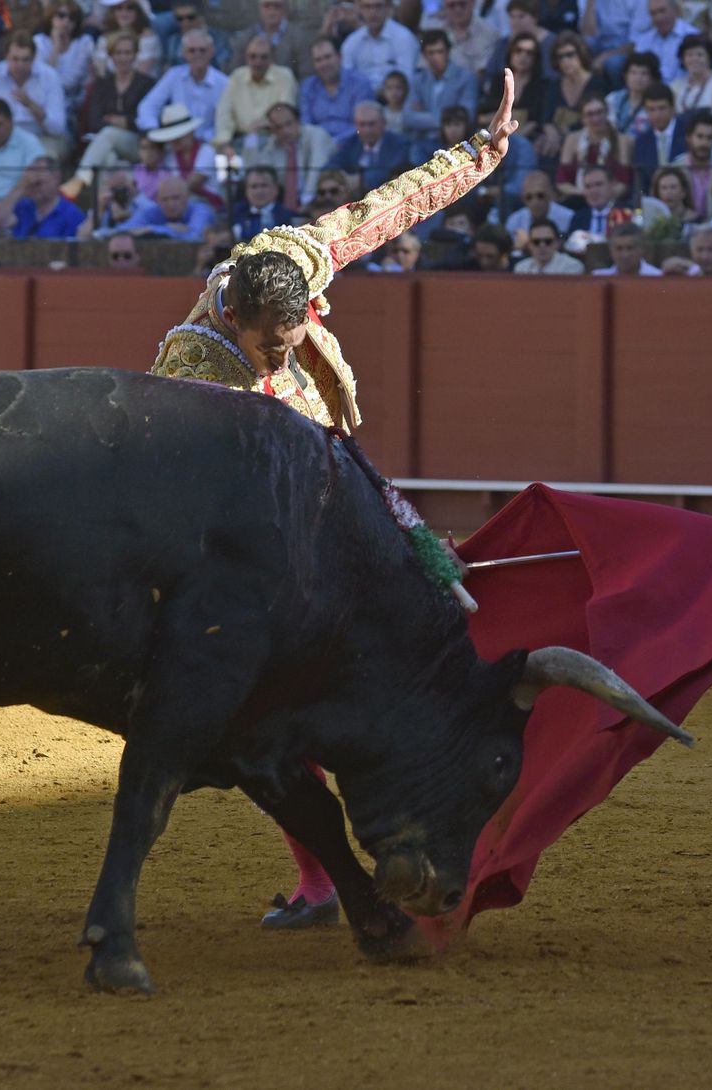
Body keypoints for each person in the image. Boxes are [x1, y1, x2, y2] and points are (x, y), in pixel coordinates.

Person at [148, 71, 519, 926]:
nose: (278, 359)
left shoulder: (294, 256)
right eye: (267, 347)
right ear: (232, 318)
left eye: (291, 341)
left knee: (418, 596)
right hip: (260, 533)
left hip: (332, 476)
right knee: (275, 700)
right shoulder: (187, 373)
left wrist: (481, 152)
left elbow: (390, 206)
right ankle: (323, 878)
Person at [67, 30, 157, 194]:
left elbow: (146, 121)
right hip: (106, 145)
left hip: (138, 145)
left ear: (136, 54)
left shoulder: (147, 84)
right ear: (111, 55)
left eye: (128, 52)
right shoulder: (102, 85)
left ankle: (80, 178)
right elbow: (94, 121)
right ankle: (109, 211)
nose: (123, 58)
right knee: (110, 161)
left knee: (110, 134)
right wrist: (124, 121)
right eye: (118, 53)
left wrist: (124, 122)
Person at [0, 31, 71, 161]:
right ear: (6, 56)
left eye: (25, 60)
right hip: (2, 137)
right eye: (15, 59)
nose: (20, 65)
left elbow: (57, 128)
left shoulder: (50, 76)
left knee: (42, 160)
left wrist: (31, 105)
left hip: (42, 136)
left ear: (34, 57)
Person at [136, 29, 229, 146]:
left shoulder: (224, 83)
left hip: (209, 144)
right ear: (184, 53)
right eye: (192, 50)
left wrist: (203, 139)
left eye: (202, 50)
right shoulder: (174, 75)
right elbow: (148, 105)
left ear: (212, 52)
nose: (197, 54)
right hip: (175, 142)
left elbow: (225, 122)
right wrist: (153, 130)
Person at [214, 34, 299, 156]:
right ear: (246, 58)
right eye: (252, 56)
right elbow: (224, 114)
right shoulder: (236, 77)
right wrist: (224, 142)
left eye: (263, 57)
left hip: (272, 138)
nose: (257, 62)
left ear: (272, 58)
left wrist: (259, 126)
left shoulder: (284, 76)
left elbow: (283, 112)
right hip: (239, 139)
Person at [406, 30, 481, 150]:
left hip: (455, 144)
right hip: (423, 142)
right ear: (424, 55)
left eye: (439, 52)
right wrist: (447, 119)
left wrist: (424, 117)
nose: (435, 57)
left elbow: (466, 116)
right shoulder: (418, 80)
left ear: (447, 52)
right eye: (430, 53)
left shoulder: (466, 78)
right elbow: (408, 118)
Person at [301, 36, 376, 145]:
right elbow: (306, 125)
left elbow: (362, 126)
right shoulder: (308, 86)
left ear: (340, 57)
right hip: (317, 145)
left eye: (328, 57)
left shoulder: (360, 83)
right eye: (318, 60)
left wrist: (335, 143)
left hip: (352, 144)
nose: (324, 64)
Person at [0, 155, 85, 238]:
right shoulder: (23, 206)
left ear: (56, 178)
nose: (34, 187)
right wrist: (21, 186)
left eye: (38, 183)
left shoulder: (71, 214)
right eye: (31, 183)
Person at [326, 100, 412, 193]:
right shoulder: (351, 143)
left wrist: (360, 180)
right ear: (356, 124)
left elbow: (391, 173)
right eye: (362, 124)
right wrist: (341, 177)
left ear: (383, 123)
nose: (367, 130)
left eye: (371, 124)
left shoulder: (399, 144)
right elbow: (331, 166)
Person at [110, 172, 216, 238]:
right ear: (158, 201)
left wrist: (150, 230)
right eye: (165, 199)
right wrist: (164, 229)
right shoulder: (153, 211)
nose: (170, 204)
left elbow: (194, 236)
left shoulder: (200, 210)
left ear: (186, 197)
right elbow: (121, 231)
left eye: (176, 198)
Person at [341, 0, 418, 90]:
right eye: (367, 7)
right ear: (360, 10)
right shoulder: (352, 42)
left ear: (388, 8)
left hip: (395, 99)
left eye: (378, 6)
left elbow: (406, 79)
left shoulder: (404, 38)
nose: (372, 12)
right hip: (360, 98)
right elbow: (345, 78)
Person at [34, 0, 96, 104]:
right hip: (44, 101)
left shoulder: (84, 42)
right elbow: (42, 80)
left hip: (75, 103)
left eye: (72, 17)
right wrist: (56, 47)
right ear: (51, 17)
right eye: (61, 16)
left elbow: (70, 83)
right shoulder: (39, 41)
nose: (66, 21)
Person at [230, 0, 310, 79]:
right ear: (260, 8)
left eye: (277, 6)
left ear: (285, 8)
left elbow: (305, 76)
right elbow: (235, 72)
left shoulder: (299, 38)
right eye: (267, 5)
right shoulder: (246, 37)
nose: (272, 11)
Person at [426, 0, 502, 78]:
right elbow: (424, 70)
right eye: (451, 5)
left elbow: (483, 72)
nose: (457, 9)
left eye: (462, 4)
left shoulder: (489, 34)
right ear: (445, 6)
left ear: (472, 3)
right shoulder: (435, 32)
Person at [631, 0, 698, 83]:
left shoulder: (693, 36)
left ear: (675, 10)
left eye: (662, 11)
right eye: (653, 13)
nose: (658, 18)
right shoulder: (644, 41)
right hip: (650, 92)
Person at [230, 164, 300, 240]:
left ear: (276, 189)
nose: (259, 191)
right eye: (254, 186)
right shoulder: (233, 215)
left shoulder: (290, 217)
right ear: (246, 190)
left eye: (264, 186)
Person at [515, 216, 585, 271]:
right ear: (530, 244)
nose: (542, 245)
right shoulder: (521, 268)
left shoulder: (572, 266)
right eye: (536, 242)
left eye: (548, 241)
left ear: (557, 243)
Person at [591, 220, 659, 274]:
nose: (625, 255)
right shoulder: (598, 278)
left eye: (630, 248)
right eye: (619, 248)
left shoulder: (658, 278)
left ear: (641, 249)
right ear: (611, 250)